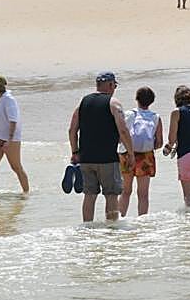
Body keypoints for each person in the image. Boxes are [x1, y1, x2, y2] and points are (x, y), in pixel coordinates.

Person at [68, 72, 135, 222]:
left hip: (86, 159)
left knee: (89, 196)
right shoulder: (113, 103)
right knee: (111, 195)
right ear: (110, 84)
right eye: (115, 85)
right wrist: (130, 153)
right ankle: (111, 229)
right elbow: (123, 130)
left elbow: (72, 130)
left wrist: (75, 151)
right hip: (108, 159)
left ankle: (87, 229)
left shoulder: (82, 103)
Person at [118, 87, 163, 217]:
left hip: (127, 154)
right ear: (152, 101)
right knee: (143, 194)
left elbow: (121, 134)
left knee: (126, 191)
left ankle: (120, 218)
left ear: (136, 98)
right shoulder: (156, 117)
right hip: (146, 156)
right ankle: (143, 220)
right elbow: (159, 143)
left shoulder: (129, 114)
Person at [0, 74, 29, 195]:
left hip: (10, 139)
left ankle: (26, 193)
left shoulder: (8, 99)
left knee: (16, 167)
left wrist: (9, 140)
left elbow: (13, 120)